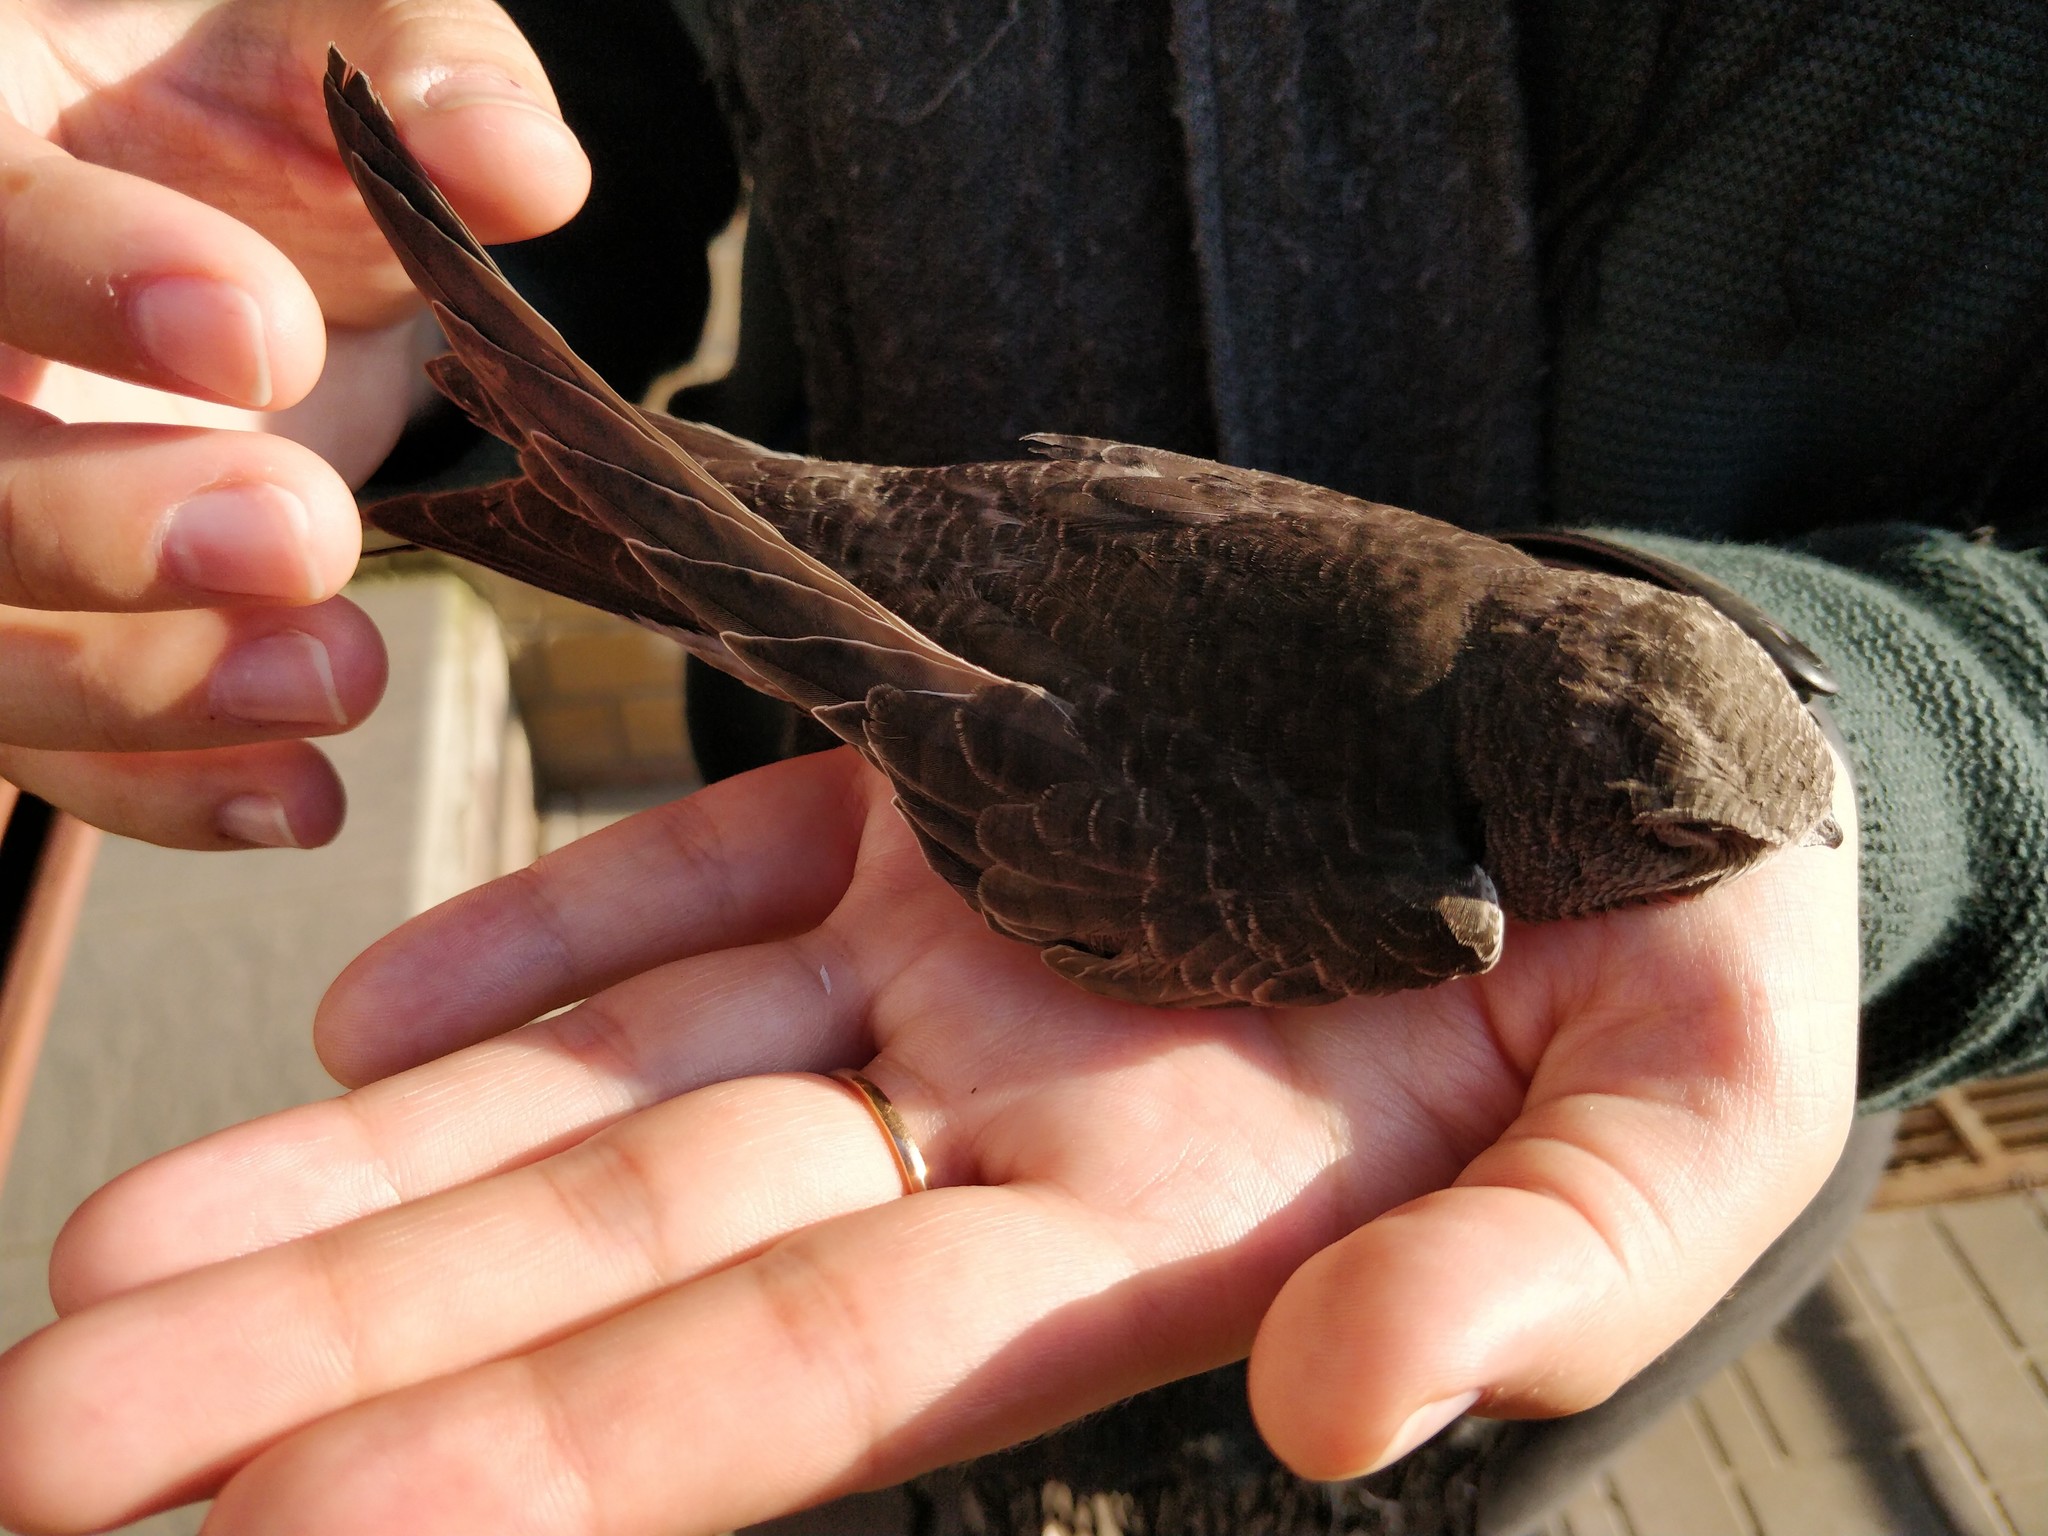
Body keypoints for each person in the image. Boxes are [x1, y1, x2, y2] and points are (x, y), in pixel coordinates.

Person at [0, 3, 2039, 1534]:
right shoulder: (1411, 895)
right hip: (903, 733)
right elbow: (586, 76)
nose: (1695, 859)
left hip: (1001, 636)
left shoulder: (1546, 715)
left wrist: (1897, 760)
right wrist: (311, 309)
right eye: (1669, 829)